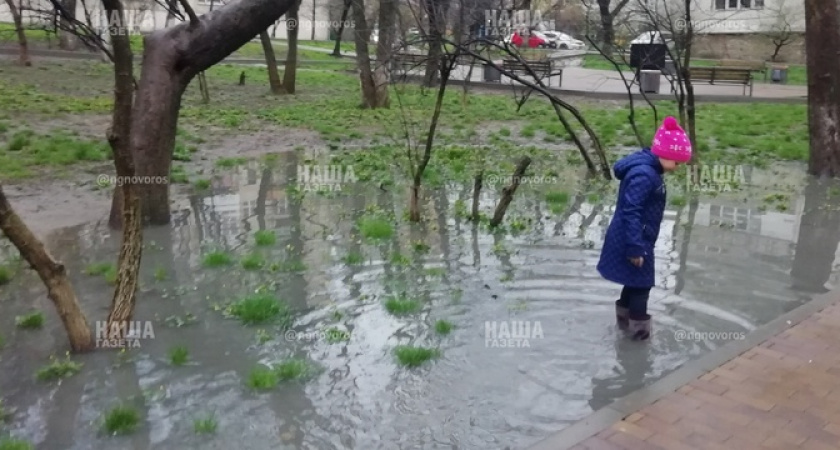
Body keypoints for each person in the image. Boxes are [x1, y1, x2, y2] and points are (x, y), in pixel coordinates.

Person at [597, 116, 692, 340]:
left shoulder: (648, 169)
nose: (677, 168)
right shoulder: (644, 175)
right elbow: (631, 211)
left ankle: (624, 329)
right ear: (664, 153)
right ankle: (638, 340)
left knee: (634, 282)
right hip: (633, 239)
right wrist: (635, 248)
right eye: (676, 162)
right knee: (642, 286)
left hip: (636, 237)